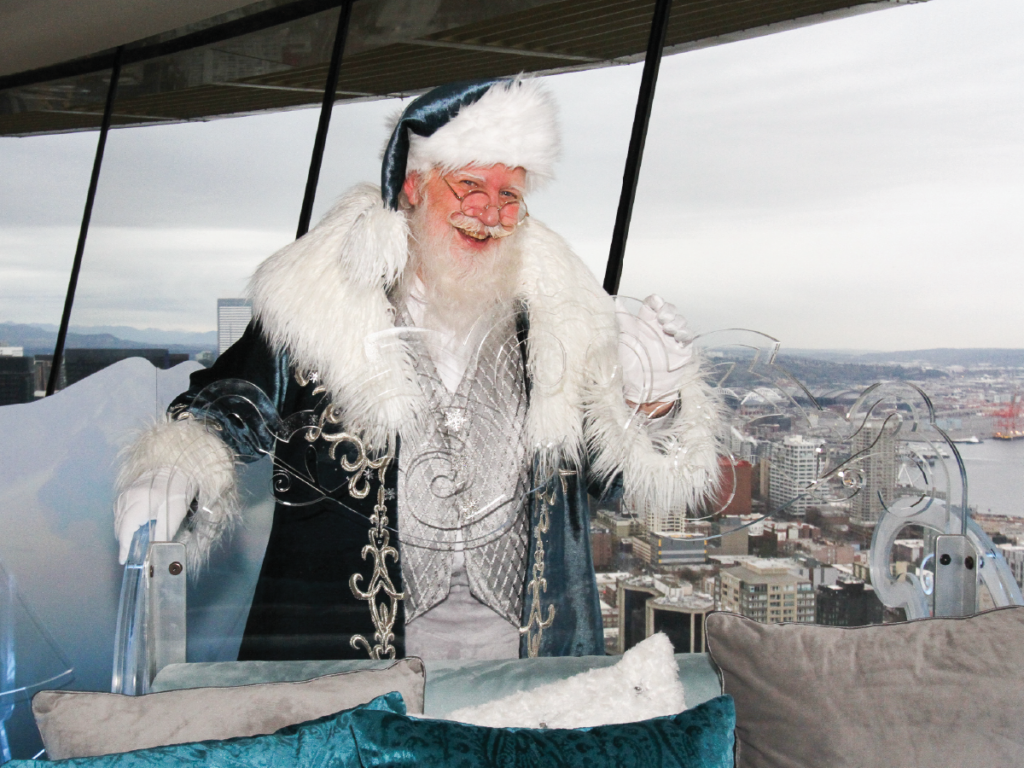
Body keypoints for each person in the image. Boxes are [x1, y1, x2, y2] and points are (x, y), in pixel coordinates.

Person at [113, 77, 720, 662]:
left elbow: (606, 476)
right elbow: (233, 403)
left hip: (526, 660)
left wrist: (650, 405)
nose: (488, 211)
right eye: (469, 185)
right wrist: (177, 465)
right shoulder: (322, 303)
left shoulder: (560, 314)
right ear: (413, 187)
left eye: (509, 195)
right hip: (349, 654)